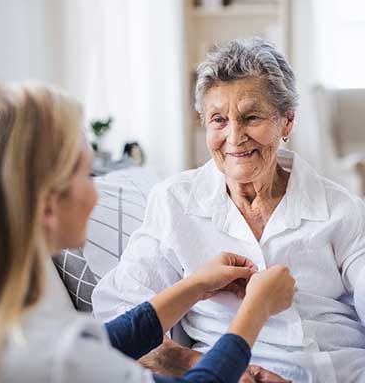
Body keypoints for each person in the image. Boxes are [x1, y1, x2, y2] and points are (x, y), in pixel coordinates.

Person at [0, 81, 295, 383]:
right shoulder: (59, 357)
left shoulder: (0, 324)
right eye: (86, 174)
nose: (97, 191)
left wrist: (195, 285)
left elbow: (106, 340)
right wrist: (257, 309)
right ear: (48, 206)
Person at [93, 38, 365, 383]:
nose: (235, 137)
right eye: (218, 120)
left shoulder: (343, 210)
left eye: (251, 117)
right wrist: (199, 365)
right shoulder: (174, 202)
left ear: (287, 121)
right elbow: (119, 319)